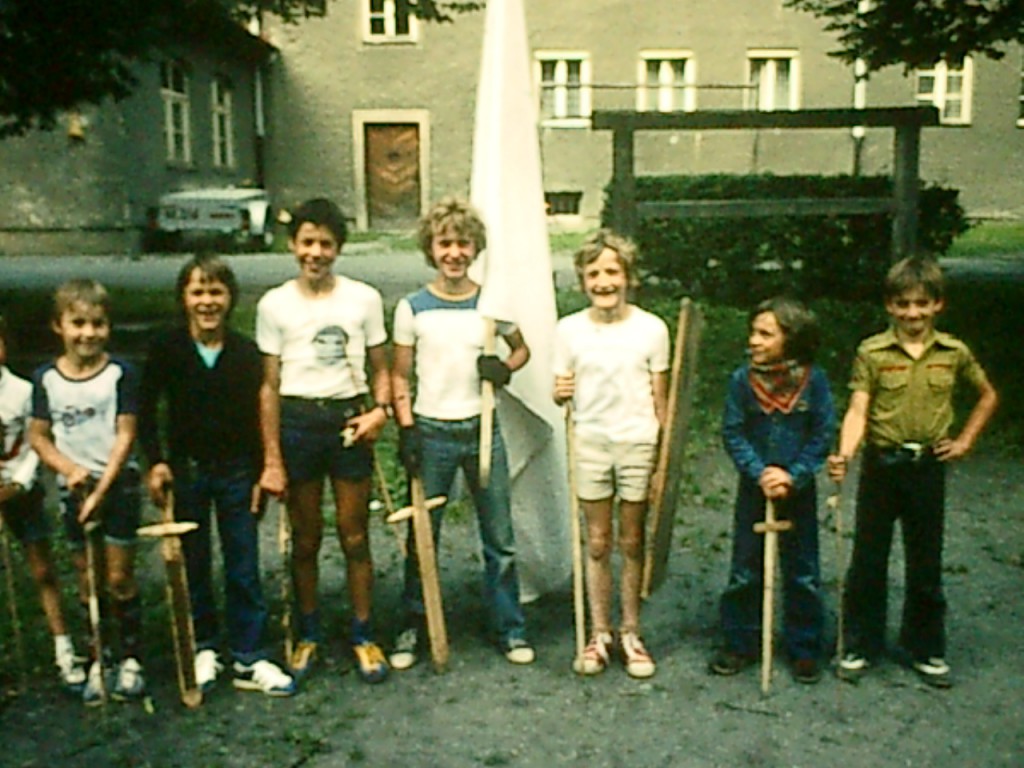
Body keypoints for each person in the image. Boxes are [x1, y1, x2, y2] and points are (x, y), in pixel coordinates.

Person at [828, 257, 998, 689]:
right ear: (890, 306)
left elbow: (987, 396)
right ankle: (861, 644)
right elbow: (859, 408)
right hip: (882, 467)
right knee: (868, 559)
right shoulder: (873, 352)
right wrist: (845, 453)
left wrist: (963, 442)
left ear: (937, 305)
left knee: (925, 560)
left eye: (921, 304)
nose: (912, 314)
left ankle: (925, 647)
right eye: (903, 304)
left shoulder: (953, 352)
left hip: (927, 469)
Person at [138, 254, 296, 697]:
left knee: (243, 563)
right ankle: (203, 646)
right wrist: (156, 461)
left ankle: (249, 655)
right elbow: (146, 410)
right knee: (193, 562)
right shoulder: (167, 348)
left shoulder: (245, 353)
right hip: (187, 472)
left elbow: (259, 413)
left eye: (216, 292)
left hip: (237, 473)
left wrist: (265, 467)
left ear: (230, 299)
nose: (207, 302)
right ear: (183, 299)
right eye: (197, 292)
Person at [389, 196, 535, 669]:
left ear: (476, 248)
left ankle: (510, 628)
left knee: (500, 537)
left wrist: (503, 368)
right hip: (432, 432)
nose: (454, 252)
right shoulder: (414, 308)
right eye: (444, 243)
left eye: (463, 243)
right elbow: (398, 376)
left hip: (482, 429)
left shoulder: (490, 306)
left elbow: (522, 349)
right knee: (421, 535)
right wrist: (407, 428)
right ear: (431, 249)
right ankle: (415, 622)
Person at [256, 198, 391, 683]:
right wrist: (272, 456)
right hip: (298, 422)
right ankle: (308, 632)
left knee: (355, 534)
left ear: (339, 248)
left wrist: (380, 412)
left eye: (326, 244)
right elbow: (269, 386)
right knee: (306, 537)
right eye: (307, 242)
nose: (316, 253)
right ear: (293, 245)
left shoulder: (364, 299)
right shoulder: (274, 304)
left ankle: (363, 633)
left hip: (348, 421)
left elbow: (382, 369)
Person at [552, 230, 668, 678]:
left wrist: (661, 458)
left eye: (612, 272)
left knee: (632, 540)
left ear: (629, 277)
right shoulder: (569, 330)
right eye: (594, 273)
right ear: (583, 280)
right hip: (591, 440)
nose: (604, 281)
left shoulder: (651, 328)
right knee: (598, 541)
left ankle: (631, 632)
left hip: (638, 439)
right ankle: (599, 632)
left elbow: (661, 400)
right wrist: (559, 391)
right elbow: (560, 390)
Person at [27, 279, 145, 705]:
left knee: (117, 576)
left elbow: (126, 434)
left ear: (108, 327)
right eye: (77, 323)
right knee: (86, 578)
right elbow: (39, 437)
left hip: (118, 487)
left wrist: (101, 487)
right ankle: (100, 657)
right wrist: (70, 470)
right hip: (74, 488)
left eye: (97, 324)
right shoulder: (46, 379)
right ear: (59, 326)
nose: (87, 333)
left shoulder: (121, 374)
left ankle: (132, 658)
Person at [710, 297, 835, 684]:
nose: (754, 340)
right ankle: (740, 642)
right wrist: (760, 472)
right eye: (753, 331)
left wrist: (793, 475)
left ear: (792, 339)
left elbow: (822, 433)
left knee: (803, 571)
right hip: (755, 488)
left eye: (766, 334)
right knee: (745, 569)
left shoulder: (813, 381)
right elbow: (733, 431)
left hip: (798, 490)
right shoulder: (741, 381)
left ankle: (804, 647)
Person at [0, 314, 87, 694]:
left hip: (22, 491)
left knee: (42, 571)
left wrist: (20, 482)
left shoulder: (22, 390)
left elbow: (38, 440)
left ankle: (64, 649)